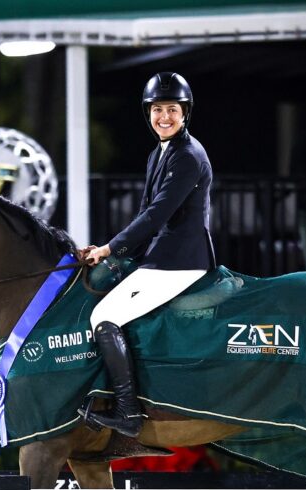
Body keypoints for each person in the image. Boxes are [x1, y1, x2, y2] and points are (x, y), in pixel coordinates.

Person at [78, 72, 216, 436]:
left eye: (172, 109)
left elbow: (157, 215)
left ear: (185, 113)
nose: (164, 117)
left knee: (104, 316)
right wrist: (111, 254)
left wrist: (111, 248)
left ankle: (128, 412)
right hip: (159, 258)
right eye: (158, 109)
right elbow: (144, 211)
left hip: (180, 262)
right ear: (148, 113)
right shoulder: (160, 152)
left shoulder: (188, 156)